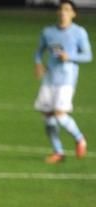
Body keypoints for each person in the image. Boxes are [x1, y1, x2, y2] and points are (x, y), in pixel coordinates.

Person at [34, 0, 91, 164]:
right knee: (48, 116)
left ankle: (80, 138)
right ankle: (58, 152)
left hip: (67, 78)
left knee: (60, 114)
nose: (63, 12)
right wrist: (38, 64)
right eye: (61, 9)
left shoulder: (79, 32)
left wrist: (70, 57)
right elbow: (39, 52)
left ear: (73, 13)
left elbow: (88, 56)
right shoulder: (48, 32)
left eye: (67, 9)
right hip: (50, 77)